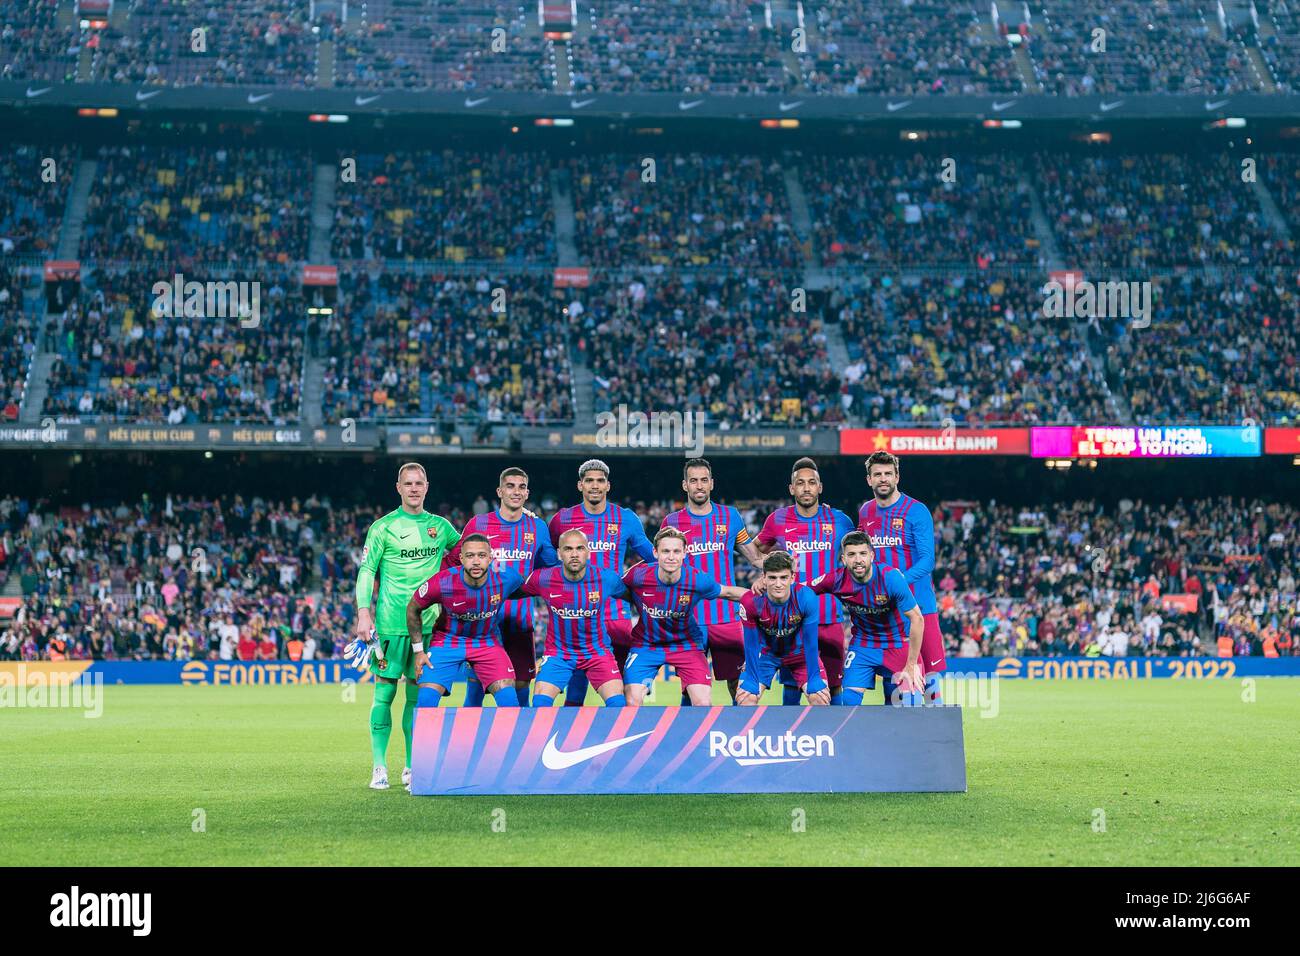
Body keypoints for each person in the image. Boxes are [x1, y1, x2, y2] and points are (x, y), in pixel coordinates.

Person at [346, 462, 461, 791]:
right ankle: (379, 766)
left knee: (416, 697)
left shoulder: (440, 527)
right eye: (408, 483)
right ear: (398, 488)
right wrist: (363, 612)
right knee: (384, 693)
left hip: (427, 628)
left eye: (419, 483)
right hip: (390, 626)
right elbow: (367, 571)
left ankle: (411, 766)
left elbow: (467, 551)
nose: (414, 488)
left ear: (427, 486)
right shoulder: (383, 527)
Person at [660, 458, 764, 703]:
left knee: (739, 687)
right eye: (693, 480)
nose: (699, 486)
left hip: (727, 617)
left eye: (703, 480)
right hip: (689, 620)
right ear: (685, 485)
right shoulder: (671, 523)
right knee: (691, 690)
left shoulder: (730, 517)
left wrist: (783, 564)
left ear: (712, 483)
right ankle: (688, 739)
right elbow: (661, 568)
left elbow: (754, 557)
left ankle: (740, 736)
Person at [619, 526, 749, 706]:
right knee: (632, 699)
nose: (671, 556)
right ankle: (645, 734)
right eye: (665, 551)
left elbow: (727, 592)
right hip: (646, 645)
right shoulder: (638, 575)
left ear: (684, 553)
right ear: (655, 553)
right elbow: (616, 589)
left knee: (703, 703)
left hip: (686, 645)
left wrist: (763, 596)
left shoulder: (697, 579)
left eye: (676, 551)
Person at [858, 450, 945, 704]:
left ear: (897, 476)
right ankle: (899, 739)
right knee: (897, 680)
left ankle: (938, 737)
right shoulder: (865, 512)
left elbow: (928, 560)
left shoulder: (916, 511)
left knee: (930, 679)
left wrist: (896, 583)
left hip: (920, 605)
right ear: (869, 480)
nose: (883, 479)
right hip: (884, 610)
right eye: (877, 474)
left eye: (888, 473)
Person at [735, 551, 830, 706]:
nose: (778, 584)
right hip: (765, 655)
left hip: (800, 655)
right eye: (772, 577)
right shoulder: (750, 601)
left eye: (783, 577)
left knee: (820, 698)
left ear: (792, 578)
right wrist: (751, 679)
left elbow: (811, 643)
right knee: (746, 699)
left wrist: (814, 678)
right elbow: (751, 645)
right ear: (764, 577)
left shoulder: (806, 598)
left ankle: (817, 731)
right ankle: (751, 731)